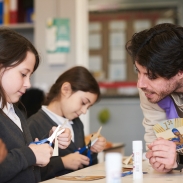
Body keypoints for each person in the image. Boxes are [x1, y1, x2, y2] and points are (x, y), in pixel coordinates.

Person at [0, 28, 71, 183]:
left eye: (30, 76)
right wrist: (31, 154)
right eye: (23, 74)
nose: (28, 84)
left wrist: (50, 141)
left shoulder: (16, 112)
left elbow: (24, 163)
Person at [28, 66, 107, 181]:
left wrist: (91, 151)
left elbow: (85, 168)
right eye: (83, 102)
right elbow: (29, 173)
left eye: (88, 107)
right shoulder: (34, 125)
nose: (84, 111)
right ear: (66, 89)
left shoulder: (77, 124)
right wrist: (63, 162)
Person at [126, 23, 183, 173]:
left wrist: (178, 159)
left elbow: (178, 159)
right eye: (138, 71)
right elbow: (154, 136)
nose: (140, 84)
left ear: (180, 72)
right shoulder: (151, 90)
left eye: (151, 76)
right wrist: (160, 159)